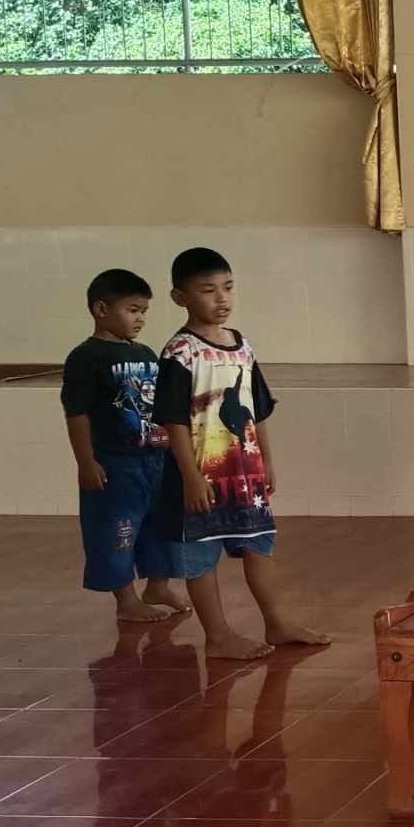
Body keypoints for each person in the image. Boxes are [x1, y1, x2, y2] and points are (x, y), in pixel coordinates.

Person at [152, 248, 329, 660]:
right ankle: (217, 637)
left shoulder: (242, 347)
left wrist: (265, 461)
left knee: (258, 545)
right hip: (201, 476)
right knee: (201, 555)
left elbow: (256, 410)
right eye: (208, 290)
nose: (222, 298)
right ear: (180, 297)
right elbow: (174, 421)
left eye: (228, 288)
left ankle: (277, 622)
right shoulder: (180, 352)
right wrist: (191, 477)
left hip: (245, 473)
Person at [62, 268, 187, 623]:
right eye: (132, 310)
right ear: (101, 309)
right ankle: (126, 600)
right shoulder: (85, 357)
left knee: (159, 526)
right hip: (116, 465)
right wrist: (86, 462)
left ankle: (158, 585)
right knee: (118, 530)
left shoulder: (146, 353)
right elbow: (77, 413)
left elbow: (159, 405)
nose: (141, 319)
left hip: (155, 461)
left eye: (144, 311)